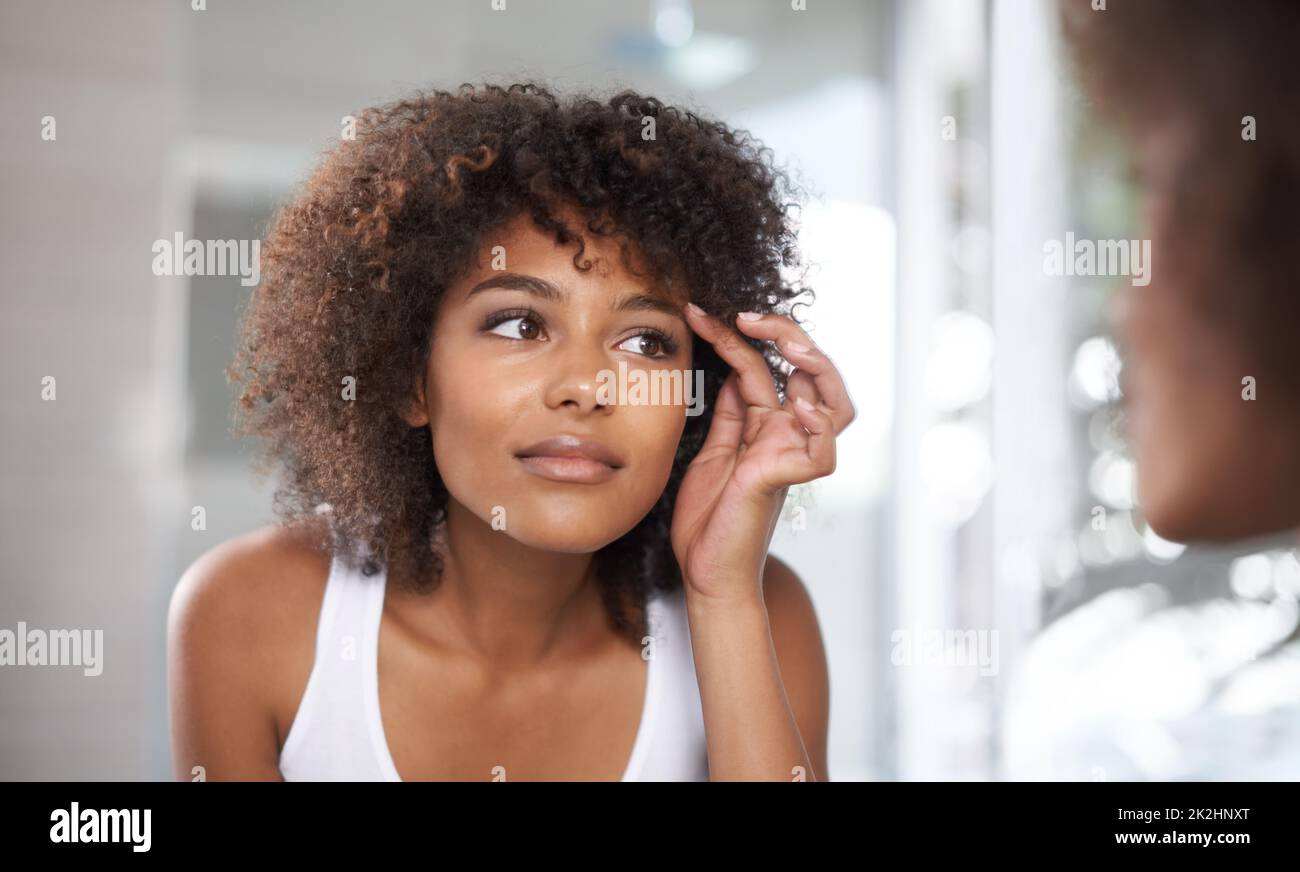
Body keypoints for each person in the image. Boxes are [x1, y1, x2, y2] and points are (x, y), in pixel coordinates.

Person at [166, 82, 854, 781]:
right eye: (520, 324)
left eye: (646, 342)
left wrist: (723, 602)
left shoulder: (764, 613)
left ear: (694, 400)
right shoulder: (250, 611)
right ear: (409, 379)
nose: (587, 387)